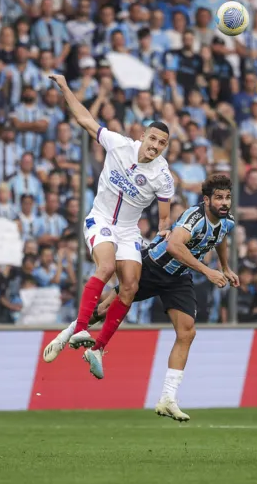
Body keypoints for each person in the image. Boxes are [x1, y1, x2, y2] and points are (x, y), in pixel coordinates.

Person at [43, 175, 237, 421]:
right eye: (219, 198)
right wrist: (208, 271)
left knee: (187, 332)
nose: (224, 202)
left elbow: (220, 237)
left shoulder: (227, 221)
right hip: (153, 267)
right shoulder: (194, 217)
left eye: (227, 197)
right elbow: (173, 247)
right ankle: (68, 334)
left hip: (177, 278)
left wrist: (225, 266)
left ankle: (168, 398)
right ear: (206, 200)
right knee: (103, 310)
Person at [46, 72, 173, 380]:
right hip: (100, 219)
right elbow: (86, 120)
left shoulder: (163, 175)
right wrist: (65, 87)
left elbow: (165, 215)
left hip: (129, 230)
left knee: (129, 286)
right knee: (105, 268)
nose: (156, 146)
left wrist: (164, 229)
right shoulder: (119, 144)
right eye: (153, 138)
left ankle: (97, 348)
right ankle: (79, 329)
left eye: (163, 143)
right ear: (143, 136)